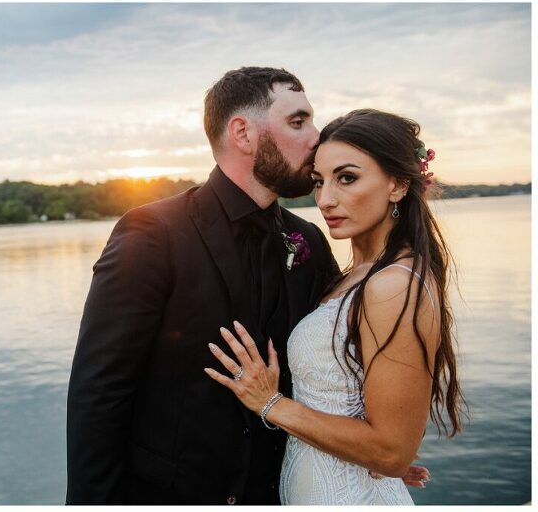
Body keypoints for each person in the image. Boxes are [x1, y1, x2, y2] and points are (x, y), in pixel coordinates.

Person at [66, 67, 339, 504]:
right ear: (243, 134)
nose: (316, 137)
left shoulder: (307, 241)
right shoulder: (151, 233)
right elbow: (99, 393)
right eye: (297, 121)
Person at [205, 108, 465, 505]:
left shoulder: (393, 284)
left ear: (397, 184)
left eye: (347, 178)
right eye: (319, 181)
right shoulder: (357, 274)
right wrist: (363, 448)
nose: (325, 199)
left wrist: (270, 403)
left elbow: (392, 452)